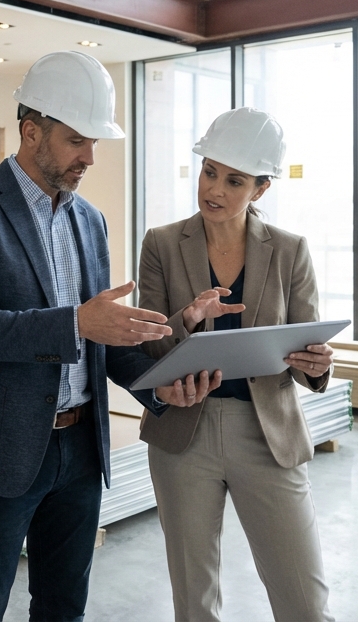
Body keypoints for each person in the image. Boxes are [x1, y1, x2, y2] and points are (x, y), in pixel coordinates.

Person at [0, 51, 203, 621]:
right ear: (32, 131)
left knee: (63, 608)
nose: (90, 157)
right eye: (78, 140)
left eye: (95, 143)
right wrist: (74, 322)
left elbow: (100, 340)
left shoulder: (90, 220)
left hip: (78, 452)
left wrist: (157, 385)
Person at [136, 107, 336, 622]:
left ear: (261, 189)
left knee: (305, 602)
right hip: (184, 435)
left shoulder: (290, 251)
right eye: (209, 172)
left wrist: (315, 362)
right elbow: (151, 348)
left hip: (267, 431)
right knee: (194, 600)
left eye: (234, 180)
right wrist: (188, 317)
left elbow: (307, 350)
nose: (215, 190)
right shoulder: (160, 243)